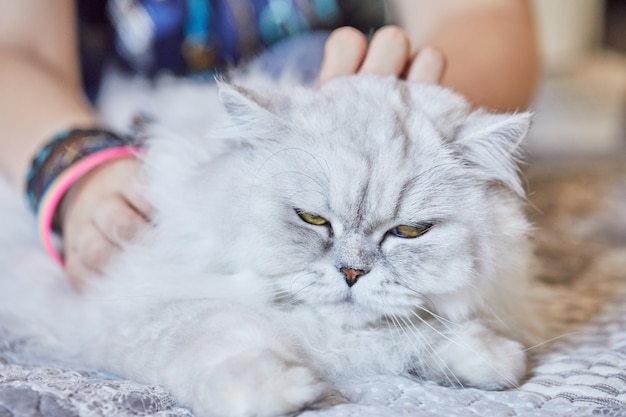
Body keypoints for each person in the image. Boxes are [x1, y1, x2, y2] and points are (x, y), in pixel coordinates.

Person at [0, 0, 539, 290]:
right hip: (112, 125)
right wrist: (78, 167)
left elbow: (481, 14)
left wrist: (419, 120)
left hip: (351, 84)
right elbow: (15, 46)